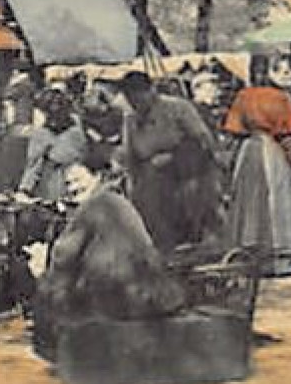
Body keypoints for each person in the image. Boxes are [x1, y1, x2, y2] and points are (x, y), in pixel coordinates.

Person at [35, 161, 186, 351]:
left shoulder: (93, 206)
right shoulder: (120, 201)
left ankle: (58, 348)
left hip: (117, 299)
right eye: (68, 183)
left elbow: (63, 257)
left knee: (52, 285)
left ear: (97, 177)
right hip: (154, 296)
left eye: (78, 180)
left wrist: (42, 272)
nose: (73, 188)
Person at [119, 71, 221, 253]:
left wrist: (175, 157)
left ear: (151, 90)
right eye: (131, 100)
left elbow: (204, 142)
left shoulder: (178, 108)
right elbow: (130, 157)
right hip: (150, 184)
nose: (136, 104)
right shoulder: (131, 120)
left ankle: (193, 240)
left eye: (139, 97)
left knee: (190, 199)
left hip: (186, 175)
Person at [222, 72, 291, 276]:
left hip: (249, 150)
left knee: (248, 203)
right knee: (277, 202)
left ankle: (248, 257)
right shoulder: (280, 97)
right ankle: (279, 260)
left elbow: (234, 130)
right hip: (272, 150)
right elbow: (286, 133)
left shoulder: (243, 96)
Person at [20, 87, 88, 201]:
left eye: (60, 111)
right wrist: (24, 191)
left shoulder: (80, 130)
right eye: (51, 113)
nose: (55, 119)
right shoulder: (42, 135)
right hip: (54, 183)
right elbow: (33, 166)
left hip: (81, 180)